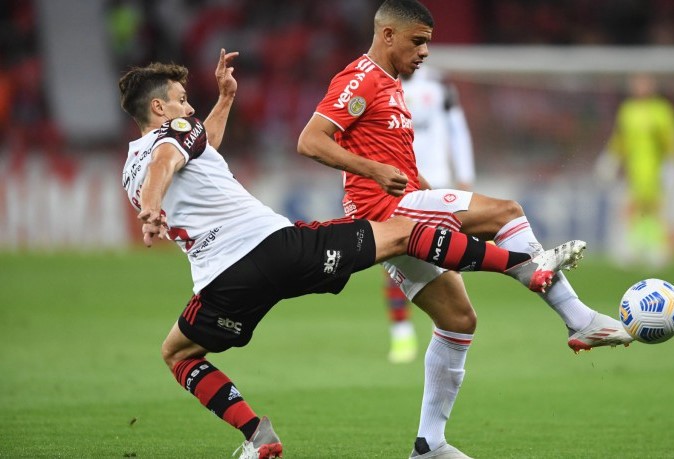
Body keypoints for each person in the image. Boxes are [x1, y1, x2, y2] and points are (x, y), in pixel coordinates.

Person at [118, 50, 585, 459]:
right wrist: (155, 205)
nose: (189, 107)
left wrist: (225, 100)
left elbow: (198, 149)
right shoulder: (170, 138)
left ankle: (257, 435)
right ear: (158, 108)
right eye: (181, 99)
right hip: (278, 250)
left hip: (222, 283)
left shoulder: (131, 168)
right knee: (402, 230)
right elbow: (169, 159)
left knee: (177, 354)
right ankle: (525, 265)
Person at [297, 1, 633, 457]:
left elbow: (401, 167)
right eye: (418, 41)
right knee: (506, 212)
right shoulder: (360, 79)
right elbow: (310, 139)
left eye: (428, 43)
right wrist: (371, 169)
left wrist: (433, 191)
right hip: (386, 211)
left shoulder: (393, 86)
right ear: (388, 35)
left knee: (457, 321)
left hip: (396, 209)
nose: (425, 52)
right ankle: (579, 319)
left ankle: (428, 445)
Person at [385, 65, 476, 364]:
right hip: (398, 183)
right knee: (395, 253)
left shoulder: (439, 86)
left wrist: (465, 175)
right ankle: (401, 332)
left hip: (436, 181)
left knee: (444, 255)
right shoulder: (380, 84)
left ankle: (446, 326)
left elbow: (457, 130)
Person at [595, 72, 674, 268]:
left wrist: (672, 164)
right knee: (632, 208)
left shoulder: (662, 110)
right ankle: (632, 247)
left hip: (655, 168)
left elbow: (670, 139)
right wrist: (610, 159)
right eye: (637, 83)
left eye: (644, 83)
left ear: (652, 86)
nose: (640, 87)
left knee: (654, 208)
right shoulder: (627, 110)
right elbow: (620, 139)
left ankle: (655, 248)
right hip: (633, 169)